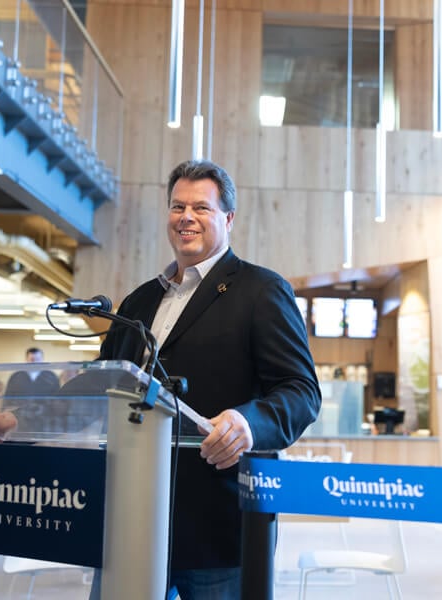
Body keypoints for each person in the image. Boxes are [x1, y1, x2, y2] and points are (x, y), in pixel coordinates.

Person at [93, 159, 322, 598]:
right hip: (130, 517)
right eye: (178, 207)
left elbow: (301, 391)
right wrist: (29, 414)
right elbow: (105, 382)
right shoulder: (139, 301)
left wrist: (247, 423)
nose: (186, 218)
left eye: (201, 208)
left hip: (219, 521)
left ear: (228, 218)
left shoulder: (261, 291)